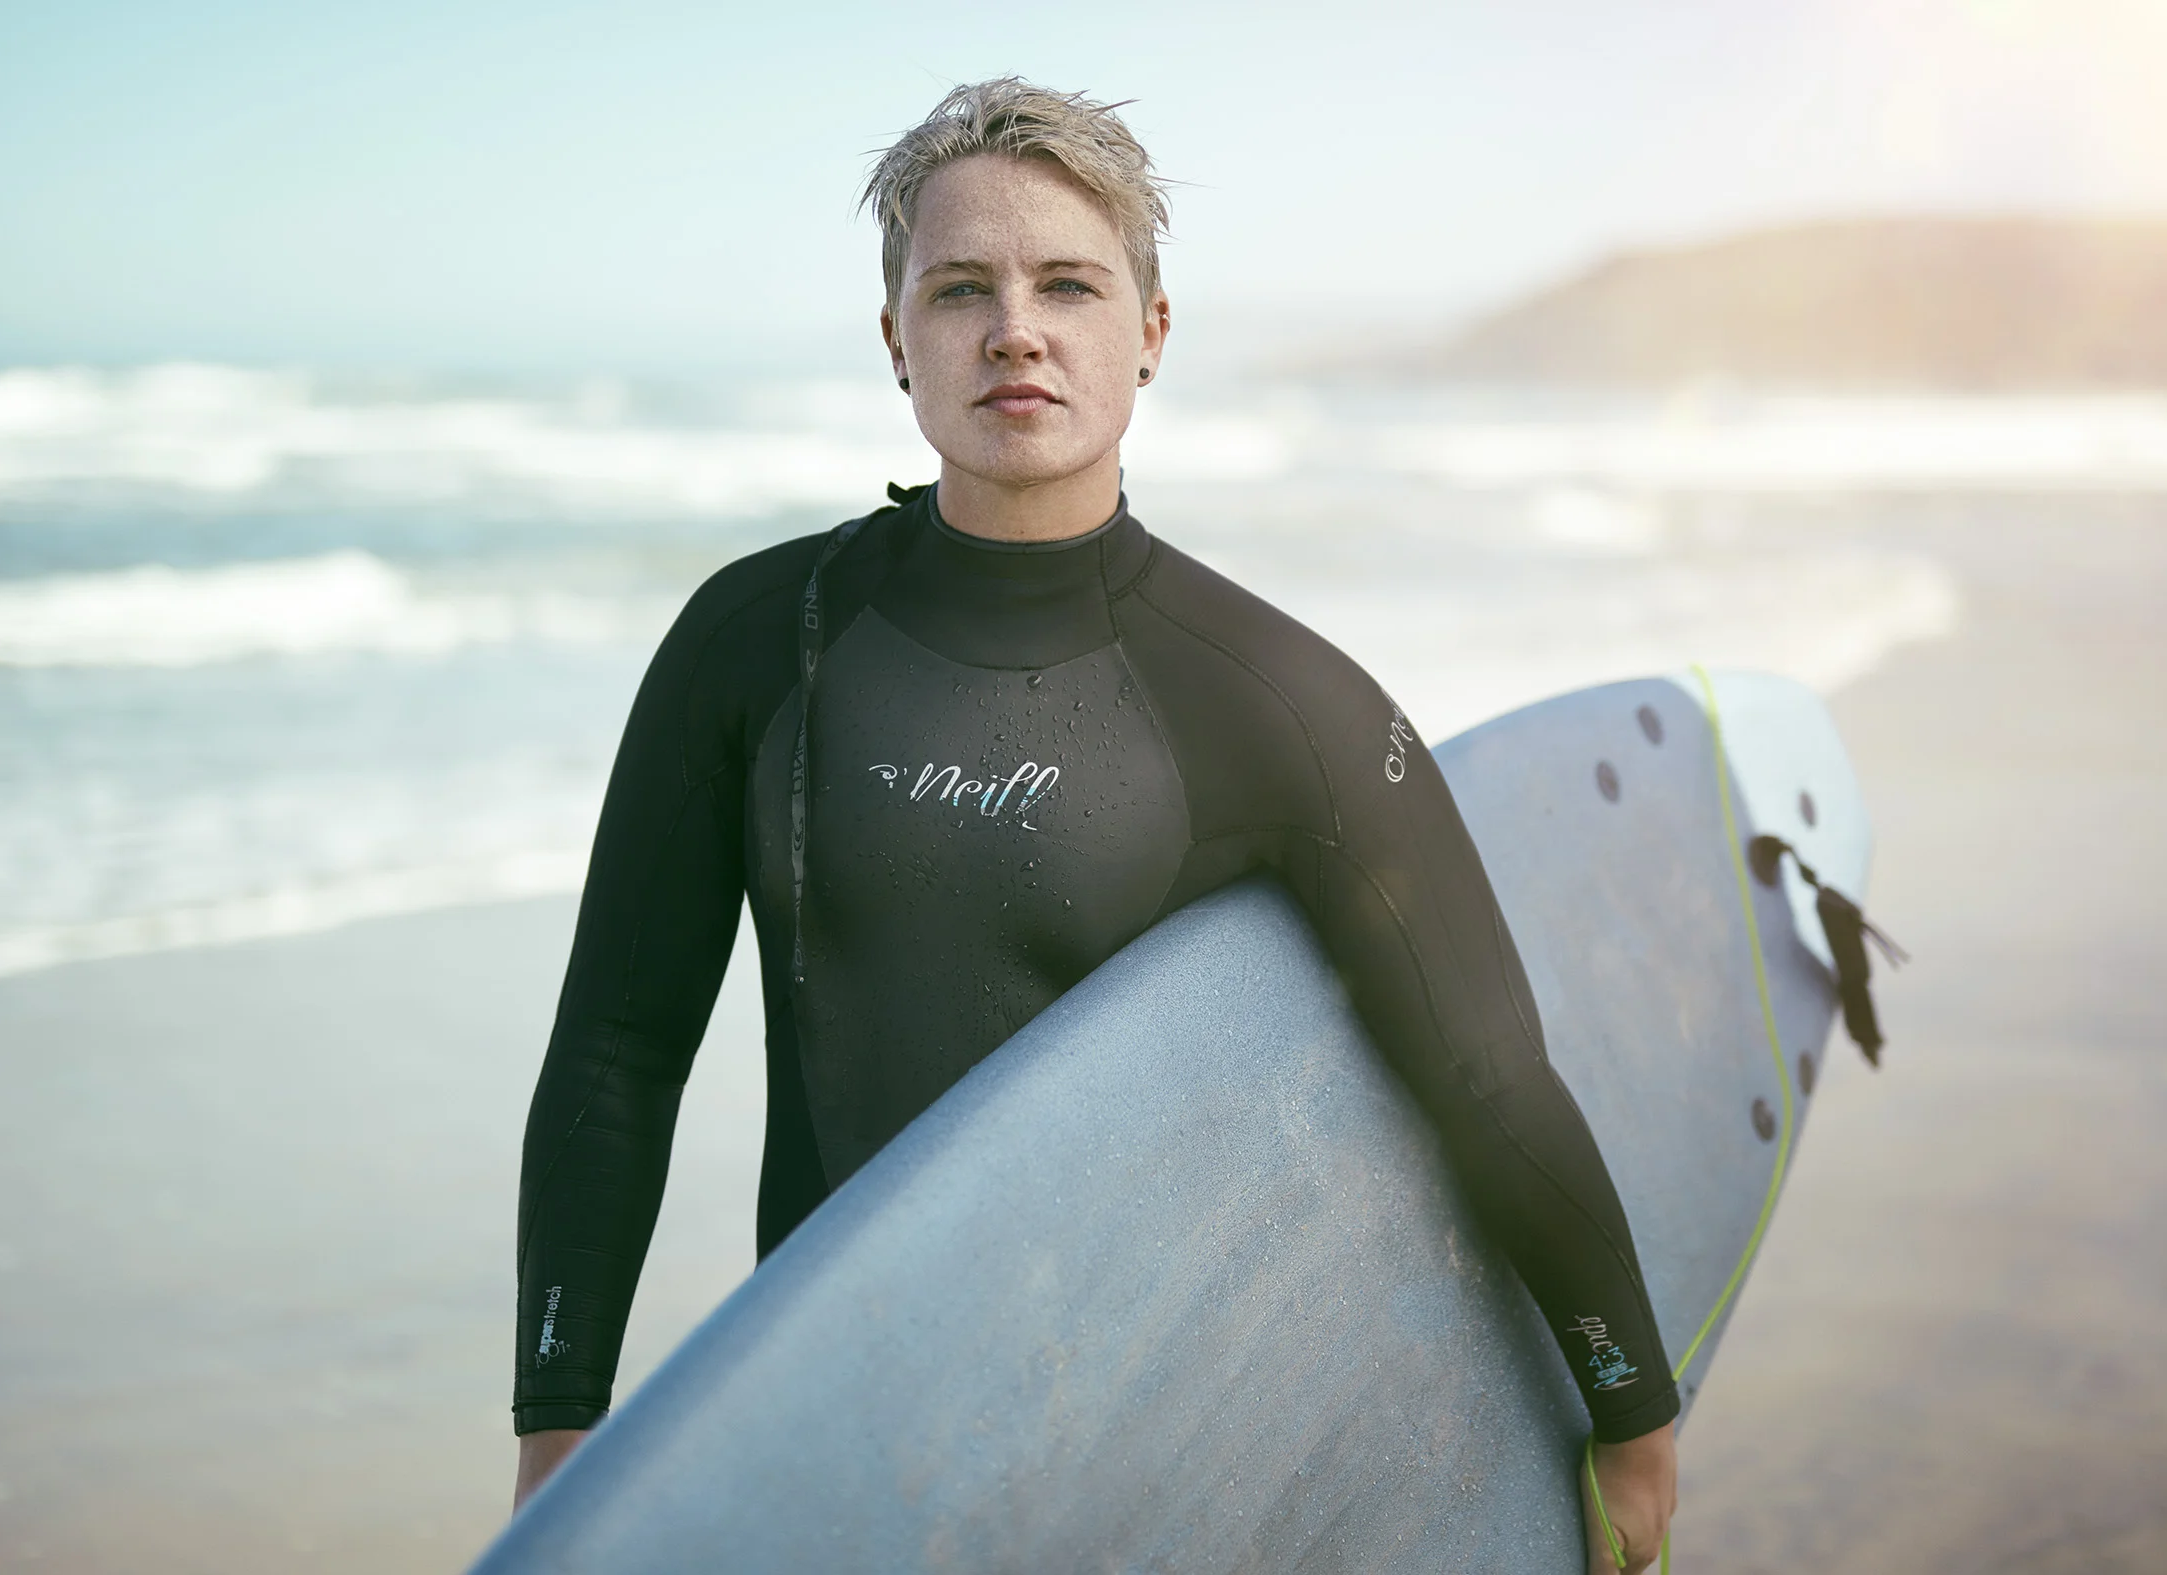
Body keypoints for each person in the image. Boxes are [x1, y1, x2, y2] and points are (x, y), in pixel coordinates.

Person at [510, 78, 1679, 1571]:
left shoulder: (1275, 700)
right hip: (844, 1437)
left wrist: (1629, 1415)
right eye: (959, 290)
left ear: (1150, 331)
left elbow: (1483, 1076)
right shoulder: (754, 644)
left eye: (1068, 281)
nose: (1015, 327)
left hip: (1162, 1448)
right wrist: (560, 1429)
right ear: (897, 344)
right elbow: (617, 1052)